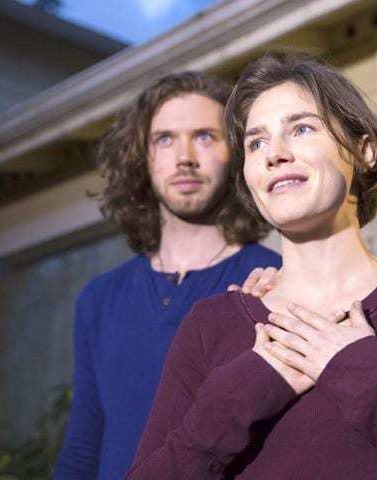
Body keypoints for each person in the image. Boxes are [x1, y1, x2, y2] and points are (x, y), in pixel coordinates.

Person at [125, 53, 377, 479]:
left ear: (365, 151)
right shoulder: (211, 326)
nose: (275, 154)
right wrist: (241, 394)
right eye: (256, 142)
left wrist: (366, 376)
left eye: (301, 128)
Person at [53, 71, 281, 480]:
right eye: (165, 139)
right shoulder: (99, 299)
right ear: (142, 157)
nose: (185, 157)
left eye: (205, 137)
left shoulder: (271, 281)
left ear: (236, 154)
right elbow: (84, 444)